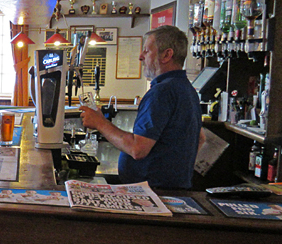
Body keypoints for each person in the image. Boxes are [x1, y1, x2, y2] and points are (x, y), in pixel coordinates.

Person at [80, 25, 204, 190]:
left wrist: (99, 123)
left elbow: (137, 149)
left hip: (154, 191)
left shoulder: (162, 92)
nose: (140, 57)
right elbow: (200, 138)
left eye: (146, 51)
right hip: (172, 188)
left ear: (167, 54)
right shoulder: (187, 88)